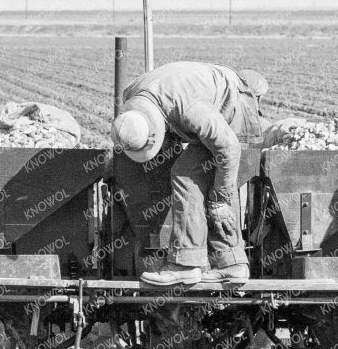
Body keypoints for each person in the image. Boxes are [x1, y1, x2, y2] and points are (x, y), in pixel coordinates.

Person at [112, 63, 268, 288]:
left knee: (187, 176)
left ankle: (185, 266)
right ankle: (230, 264)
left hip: (234, 106)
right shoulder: (133, 97)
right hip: (203, 98)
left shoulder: (190, 110)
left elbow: (229, 148)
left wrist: (221, 199)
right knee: (196, 175)